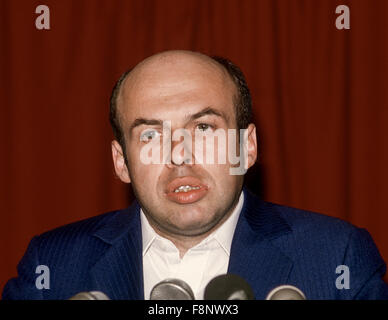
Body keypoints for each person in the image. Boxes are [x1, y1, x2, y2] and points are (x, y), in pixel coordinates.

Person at [2, 50, 388, 300]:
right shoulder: (52, 265)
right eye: (150, 134)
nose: (179, 156)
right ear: (121, 161)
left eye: (203, 128)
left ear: (247, 147)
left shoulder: (338, 257)